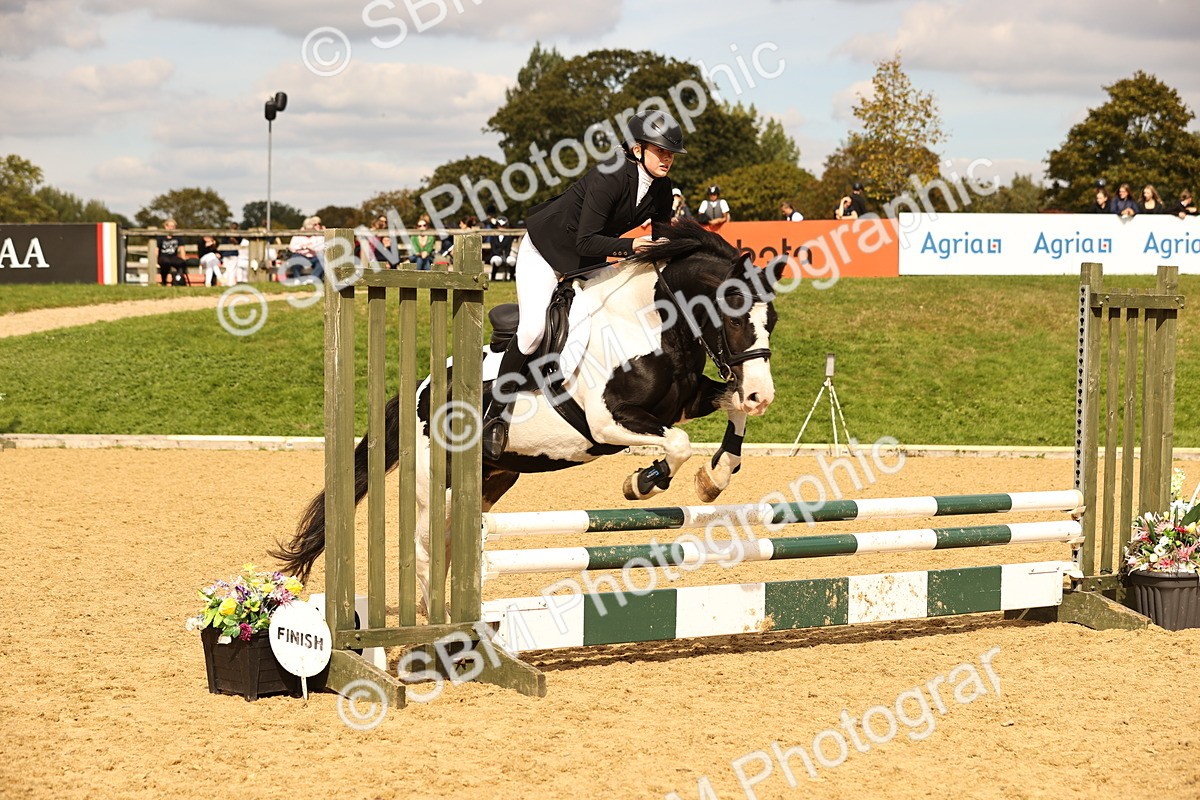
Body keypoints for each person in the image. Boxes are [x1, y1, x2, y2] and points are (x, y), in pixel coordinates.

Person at [479, 110, 686, 459]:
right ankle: (495, 416)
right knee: (531, 331)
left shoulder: (662, 189)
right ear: (637, 149)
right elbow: (586, 240)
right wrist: (633, 246)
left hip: (589, 262)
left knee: (603, 317)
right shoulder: (609, 176)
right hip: (547, 251)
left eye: (670, 153)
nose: (667, 158)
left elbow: (662, 236)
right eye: (660, 150)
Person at [155, 218, 187, 286]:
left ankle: (178, 281)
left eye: (173, 227)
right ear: (166, 227)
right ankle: (164, 281)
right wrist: (156, 261)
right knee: (165, 263)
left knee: (181, 263)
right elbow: (156, 249)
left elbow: (182, 248)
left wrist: (183, 260)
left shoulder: (178, 236)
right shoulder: (161, 236)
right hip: (163, 256)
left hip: (173, 256)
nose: (171, 228)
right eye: (170, 226)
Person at [488, 216, 517, 280]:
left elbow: (508, 248)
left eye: (503, 226)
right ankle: (493, 277)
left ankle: (511, 277)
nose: (501, 228)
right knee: (496, 260)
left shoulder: (509, 236)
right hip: (496, 254)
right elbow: (493, 248)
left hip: (506, 255)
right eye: (500, 226)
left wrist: (505, 255)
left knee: (512, 260)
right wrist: (499, 254)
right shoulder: (493, 235)